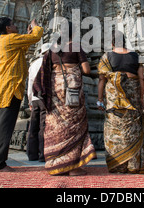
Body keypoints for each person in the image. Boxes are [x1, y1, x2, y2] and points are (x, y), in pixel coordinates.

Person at [97, 30, 144, 173]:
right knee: (134, 127)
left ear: (111, 43)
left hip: (115, 98)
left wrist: (99, 99)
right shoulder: (135, 56)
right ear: (124, 42)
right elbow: (141, 78)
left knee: (115, 129)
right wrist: (142, 98)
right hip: (133, 95)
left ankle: (119, 164)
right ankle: (135, 164)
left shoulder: (106, 57)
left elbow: (102, 80)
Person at [34, 22, 96, 176]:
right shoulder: (75, 46)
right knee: (74, 125)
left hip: (55, 90)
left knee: (57, 125)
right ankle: (73, 167)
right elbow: (86, 70)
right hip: (72, 90)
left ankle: (57, 163)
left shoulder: (52, 50)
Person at [0, 17, 43, 172]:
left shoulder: (5, 40)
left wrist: (26, 34)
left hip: (5, 87)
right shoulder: (9, 39)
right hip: (11, 87)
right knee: (5, 126)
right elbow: (36, 36)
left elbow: (22, 48)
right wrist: (36, 27)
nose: (16, 26)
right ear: (8, 28)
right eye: (13, 24)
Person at [26, 42, 51, 162]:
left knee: (33, 126)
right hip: (44, 98)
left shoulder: (33, 64)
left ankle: (31, 154)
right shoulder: (48, 63)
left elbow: (30, 83)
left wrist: (30, 100)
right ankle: (43, 154)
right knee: (43, 126)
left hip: (34, 99)